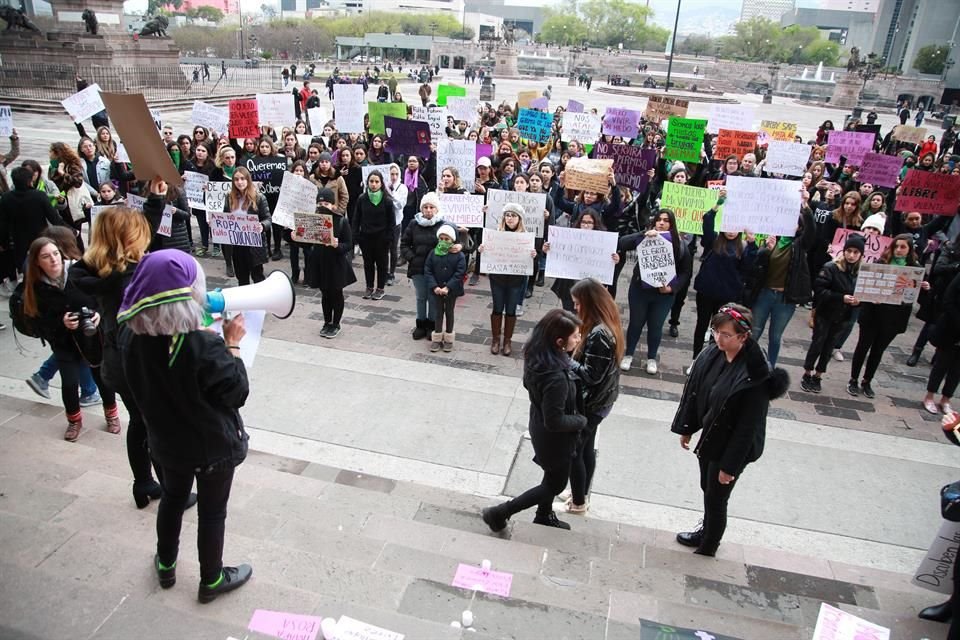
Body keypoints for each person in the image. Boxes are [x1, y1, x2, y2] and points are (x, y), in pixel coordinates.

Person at [117, 250, 252, 603]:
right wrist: (232, 343)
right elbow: (236, 392)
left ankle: (165, 564)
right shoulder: (202, 344)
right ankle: (211, 580)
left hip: (166, 443)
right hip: (211, 448)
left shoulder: (130, 336)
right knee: (212, 511)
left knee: (173, 500)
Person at [671, 304, 789, 556]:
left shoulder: (754, 377)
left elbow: (748, 427)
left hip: (733, 444)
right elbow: (697, 392)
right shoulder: (713, 355)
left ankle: (709, 545)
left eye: (726, 334)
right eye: (716, 331)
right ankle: (706, 530)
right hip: (712, 435)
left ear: (743, 337)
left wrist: (729, 466)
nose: (718, 338)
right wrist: (688, 427)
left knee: (717, 498)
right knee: (707, 487)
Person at [482, 309, 587, 533]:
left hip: (540, 426)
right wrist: (580, 420)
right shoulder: (556, 376)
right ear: (559, 341)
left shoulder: (538, 357)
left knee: (551, 475)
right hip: (554, 439)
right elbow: (555, 420)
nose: (579, 339)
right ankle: (500, 512)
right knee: (555, 484)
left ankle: (543, 515)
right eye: (575, 335)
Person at [22, 237, 120, 441]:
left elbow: (103, 297)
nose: (53, 260)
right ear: (37, 262)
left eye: (55, 254)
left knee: (103, 379)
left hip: (92, 338)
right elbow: (37, 322)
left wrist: (97, 314)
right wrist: (61, 322)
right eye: (46, 257)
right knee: (69, 383)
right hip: (64, 343)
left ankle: (112, 415)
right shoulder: (37, 287)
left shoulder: (78, 272)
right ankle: (74, 421)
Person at [564, 278, 623, 514]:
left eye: (578, 303)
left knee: (575, 452)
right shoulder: (605, 324)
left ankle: (578, 501)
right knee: (586, 448)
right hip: (600, 400)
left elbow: (592, 375)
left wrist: (566, 360)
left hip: (592, 403)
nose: (575, 308)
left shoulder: (599, 333)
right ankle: (582, 492)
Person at [849, 234, 928, 399]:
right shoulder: (881, 264)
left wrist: (924, 287)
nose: (899, 251)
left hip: (894, 318)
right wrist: (872, 298)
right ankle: (853, 379)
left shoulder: (915, 268)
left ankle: (867, 380)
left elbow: (914, 297)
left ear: (909, 249)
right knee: (863, 347)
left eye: (903, 247)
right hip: (873, 315)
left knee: (878, 350)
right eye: (896, 247)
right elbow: (867, 289)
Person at [619, 209, 693, 375]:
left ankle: (651, 358)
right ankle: (629, 354)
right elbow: (623, 243)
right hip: (640, 290)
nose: (661, 223)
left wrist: (672, 288)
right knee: (636, 322)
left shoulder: (680, 245)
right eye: (658, 220)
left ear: (671, 224)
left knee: (656, 325)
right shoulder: (646, 236)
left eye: (666, 220)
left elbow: (686, 272)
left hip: (663, 295)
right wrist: (643, 234)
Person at [745, 207, 815, 367]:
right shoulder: (772, 239)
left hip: (784, 300)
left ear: (800, 227)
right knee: (754, 331)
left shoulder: (799, 245)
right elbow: (757, 266)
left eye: (794, 223)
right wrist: (765, 250)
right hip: (765, 294)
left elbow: (811, 232)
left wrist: (806, 207)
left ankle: (770, 366)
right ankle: (746, 362)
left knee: (775, 337)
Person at [800, 235, 863, 393]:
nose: (852, 255)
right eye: (849, 251)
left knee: (829, 347)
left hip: (843, 316)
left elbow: (864, 294)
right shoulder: (831, 267)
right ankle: (807, 373)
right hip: (825, 313)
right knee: (818, 343)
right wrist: (840, 298)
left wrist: (858, 302)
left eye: (856, 252)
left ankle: (818, 375)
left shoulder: (861, 272)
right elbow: (820, 290)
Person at [479, 203, 536, 355]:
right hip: (498, 278)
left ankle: (508, 340)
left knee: (511, 310)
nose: (510, 219)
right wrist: (482, 250)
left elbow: (531, 263)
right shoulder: (495, 234)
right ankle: (496, 339)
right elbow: (486, 252)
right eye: (508, 215)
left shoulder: (526, 237)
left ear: (520, 219)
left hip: (516, 280)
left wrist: (533, 256)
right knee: (497, 307)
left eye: (514, 216)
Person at [302, 188, 356, 338]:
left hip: (336, 263)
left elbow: (349, 244)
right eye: (320, 203)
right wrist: (295, 236)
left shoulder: (341, 221)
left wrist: (336, 245)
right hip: (320, 262)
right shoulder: (313, 220)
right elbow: (307, 244)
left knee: (336, 293)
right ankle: (327, 322)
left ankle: (336, 323)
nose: (323, 206)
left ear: (332, 205)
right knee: (325, 293)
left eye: (326, 203)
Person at [224, 167, 271, 285]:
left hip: (254, 244)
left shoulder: (259, 197)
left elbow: (268, 219)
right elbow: (225, 216)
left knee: (257, 276)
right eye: (236, 179)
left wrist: (262, 226)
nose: (239, 182)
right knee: (241, 276)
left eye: (242, 179)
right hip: (237, 243)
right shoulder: (229, 197)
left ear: (248, 180)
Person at [352, 170, 394, 300]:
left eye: (377, 182)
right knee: (368, 263)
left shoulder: (387, 201)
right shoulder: (362, 199)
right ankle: (369, 286)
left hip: (381, 239)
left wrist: (388, 238)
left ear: (381, 183)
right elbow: (356, 218)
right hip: (366, 237)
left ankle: (380, 288)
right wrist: (356, 236)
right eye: (371, 181)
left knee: (381, 264)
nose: (374, 184)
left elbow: (391, 222)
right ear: (367, 183)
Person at [424, 224, 466, 353]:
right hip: (436, 289)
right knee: (438, 313)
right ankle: (436, 338)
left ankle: (448, 338)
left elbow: (459, 273)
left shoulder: (459, 256)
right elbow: (428, 270)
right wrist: (434, 286)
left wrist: (448, 287)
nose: (443, 241)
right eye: (441, 238)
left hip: (451, 291)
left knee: (449, 312)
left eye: (446, 239)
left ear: (452, 240)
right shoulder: (433, 253)